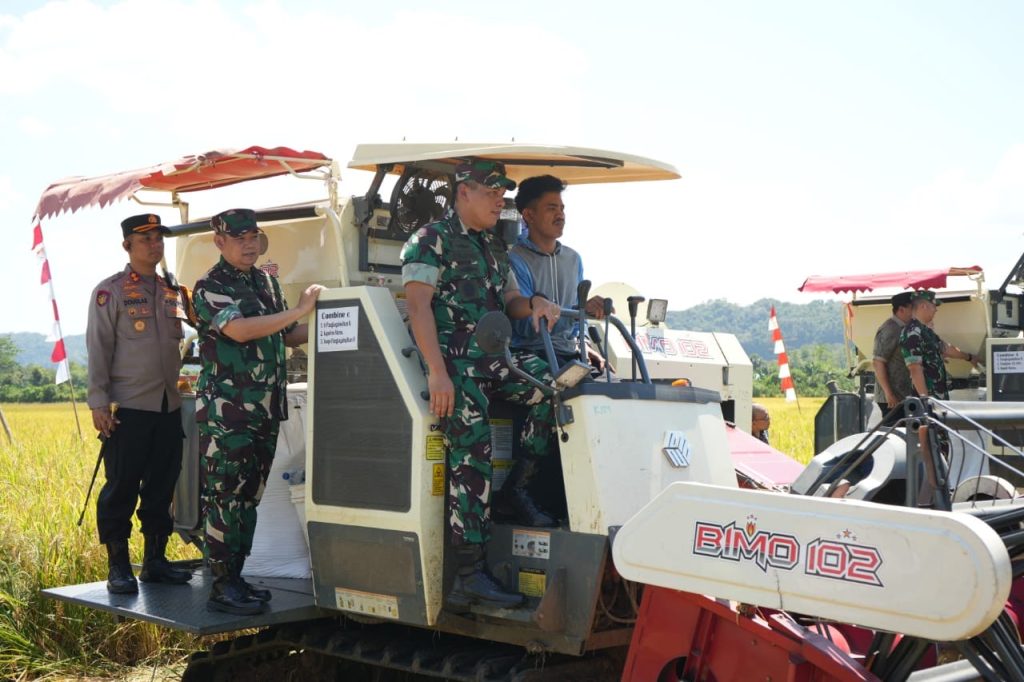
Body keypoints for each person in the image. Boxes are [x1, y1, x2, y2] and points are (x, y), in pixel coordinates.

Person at [401, 160, 563, 609]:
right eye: (492, 193)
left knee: (556, 387)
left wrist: (534, 303)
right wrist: (437, 373)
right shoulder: (430, 240)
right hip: (456, 366)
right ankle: (469, 574)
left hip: (496, 358)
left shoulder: (493, 244)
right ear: (463, 192)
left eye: (502, 194)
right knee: (473, 458)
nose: (499, 201)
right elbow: (418, 309)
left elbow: (508, 299)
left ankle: (518, 488)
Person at [193, 208, 324, 615]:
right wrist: (300, 310)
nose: (249, 245)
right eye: (240, 238)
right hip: (228, 414)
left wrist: (336, 321)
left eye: (254, 237)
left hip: (266, 409)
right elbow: (239, 330)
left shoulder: (266, 283)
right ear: (219, 242)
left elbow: (286, 336)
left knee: (250, 498)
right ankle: (221, 586)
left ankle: (236, 578)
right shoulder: (210, 286)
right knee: (225, 498)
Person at [86, 213, 192, 594]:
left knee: (162, 487)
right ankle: (118, 567)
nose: (154, 244)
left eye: (158, 237)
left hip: (168, 406)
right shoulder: (110, 292)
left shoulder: (173, 290)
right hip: (128, 408)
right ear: (127, 245)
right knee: (122, 487)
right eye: (145, 238)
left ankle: (155, 562)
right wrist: (98, 402)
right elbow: (99, 347)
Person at [508, 175, 607, 368]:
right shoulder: (514, 259)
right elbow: (528, 327)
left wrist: (584, 343)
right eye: (552, 209)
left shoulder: (573, 259)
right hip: (532, 355)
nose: (560, 215)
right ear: (529, 215)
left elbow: (578, 320)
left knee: (616, 382)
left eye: (562, 209)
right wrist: (578, 312)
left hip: (571, 353)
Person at [900, 290, 979, 400]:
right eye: (934, 305)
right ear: (923, 306)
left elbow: (946, 349)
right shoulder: (912, 332)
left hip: (938, 397)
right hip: (929, 399)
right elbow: (915, 368)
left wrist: (969, 357)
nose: (936, 309)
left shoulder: (925, 331)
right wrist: (925, 400)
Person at [872, 292, 914, 425]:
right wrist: (889, 393)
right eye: (912, 308)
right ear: (901, 309)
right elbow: (878, 362)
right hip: (892, 398)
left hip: (902, 395)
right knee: (895, 432)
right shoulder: (891, 329)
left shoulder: (904, 328)